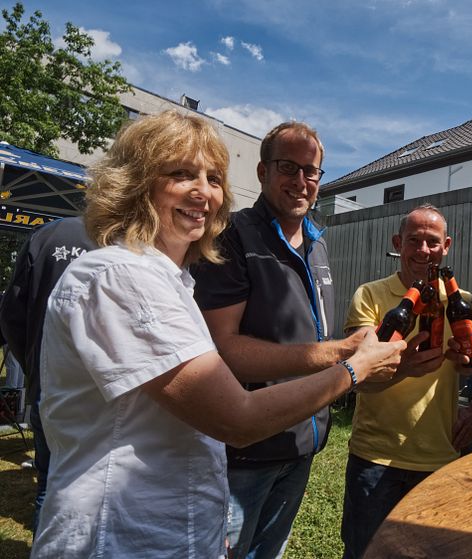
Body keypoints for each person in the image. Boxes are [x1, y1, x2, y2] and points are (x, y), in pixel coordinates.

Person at [30, 110, 405, 558]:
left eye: (213, 178)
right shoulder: (120, 277)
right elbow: (236, 418)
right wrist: (353, 368)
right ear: (134, 183)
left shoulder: (172, 281)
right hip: (120, 536)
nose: (203, 192)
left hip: (176, 527)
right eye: (181, 174)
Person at [192, 121, 368, 559]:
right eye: (288, 167)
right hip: (246, 450)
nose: (301, 181)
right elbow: (223, 350)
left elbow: (308, 329)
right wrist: (341, 353)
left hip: (303, 441)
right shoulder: (232, 237)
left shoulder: (316, 242)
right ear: (262, 172)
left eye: (312, 171)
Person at [340, 205, 472, 559]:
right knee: (364, 553)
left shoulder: (464, 304)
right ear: (398, 243)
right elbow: (354, 377)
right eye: (414, 241)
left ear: (446, 246)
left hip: (440, 460)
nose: (423, 251)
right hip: (375, 459)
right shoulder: (370, 296)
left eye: (432, 242)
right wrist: (403, 367)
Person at [0, 216, 95, 535]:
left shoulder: (49, 234)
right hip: (101, 392)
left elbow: (12, 314)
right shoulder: (129, 241)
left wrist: (33, 367)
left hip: (48, 385)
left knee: (50, 483)